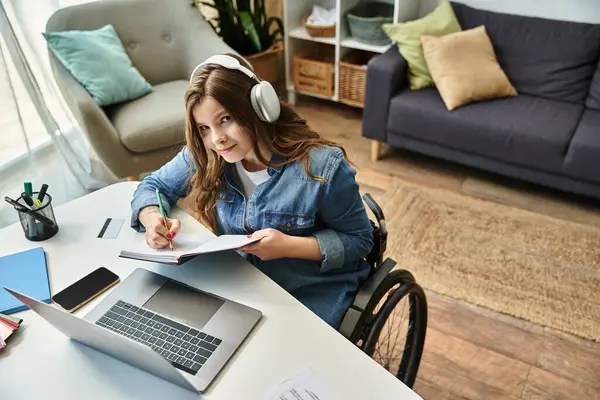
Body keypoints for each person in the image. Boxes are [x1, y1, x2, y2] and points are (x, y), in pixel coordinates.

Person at [130, 53, 373, 329]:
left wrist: (288, 247)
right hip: (242, 284)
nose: (217, 138)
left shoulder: (321, 168)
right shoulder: (208, 154)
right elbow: (152, 187)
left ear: (259, 108)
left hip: (310, 291)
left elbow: (360, 240)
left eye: (226, 119)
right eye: (204, 128)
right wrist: (153, 221)